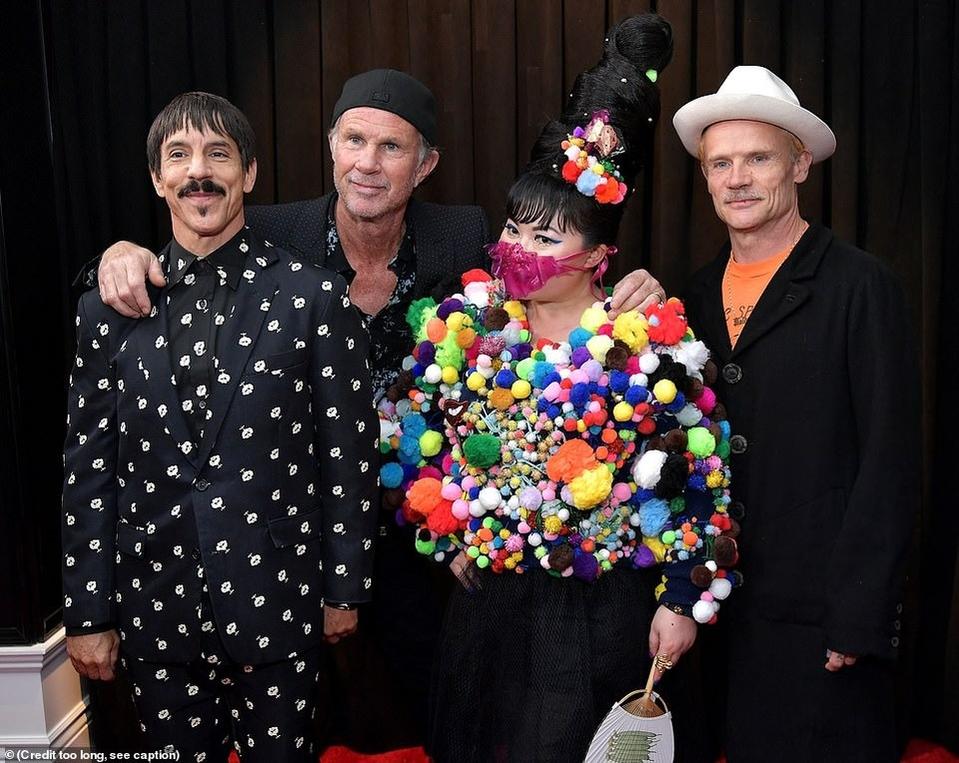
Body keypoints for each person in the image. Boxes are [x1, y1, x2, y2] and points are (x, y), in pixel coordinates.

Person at [91, 69, 666, 750]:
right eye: (354, 141)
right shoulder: (272, 230)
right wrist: (118, 256)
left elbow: (544, 279)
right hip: (294, 536)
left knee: (435, 714)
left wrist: (631, 284)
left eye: (391, 147)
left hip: (420, 531)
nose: (368, 163)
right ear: (331, 146)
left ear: (425, 166)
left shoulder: (461, 234)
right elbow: (176, 273)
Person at [381, 16, 732, 762]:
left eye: (546, 238)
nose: (518, 248)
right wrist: (444, 529)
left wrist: (681, 598)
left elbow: (697, 477)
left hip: (605, 605)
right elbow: (408, 429)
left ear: (599, 255)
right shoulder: (464, 326)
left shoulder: (648, 346)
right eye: (515, 228)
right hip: (491, 601)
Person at [61, 92, 379, 761]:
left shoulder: (313, 298)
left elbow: (347, 458)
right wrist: (88, 613)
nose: (198, 171)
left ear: (249, 172)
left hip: (280, 599)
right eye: (178, 155)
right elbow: (88, 472)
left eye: (218, 154)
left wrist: (344, 589)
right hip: (154, 607)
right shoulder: (107, 311)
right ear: (158, 179)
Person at [673, 66, 918, 762]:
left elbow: (890, 461)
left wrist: (860, 613)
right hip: (718, 615)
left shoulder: (860, 286)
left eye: (758, 158)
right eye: (720, 163)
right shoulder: (690, 297)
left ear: (800, 164)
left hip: (821, 622)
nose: (737, 179)